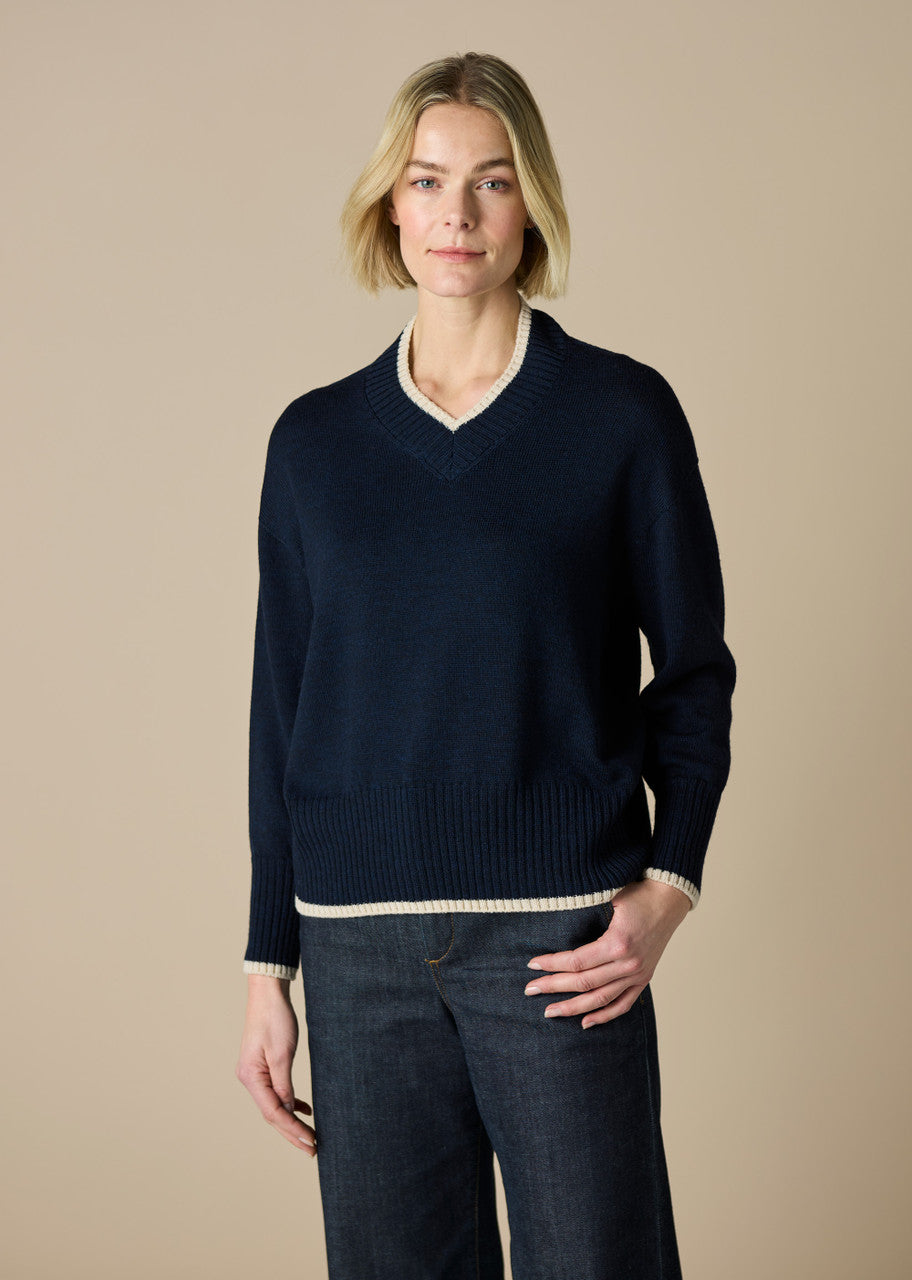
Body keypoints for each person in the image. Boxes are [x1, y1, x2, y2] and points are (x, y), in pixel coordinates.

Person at [235, 50, 736, 1280]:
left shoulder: (621, 416)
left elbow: (694, 673)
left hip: (558, 941)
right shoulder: (313, 444)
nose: (455, 213)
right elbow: (281, 712)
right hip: (356, 955)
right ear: (389, 206)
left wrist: (668, 885)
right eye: (426, 180)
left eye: (491, 181)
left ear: (532, 205)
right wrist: (267, 965)